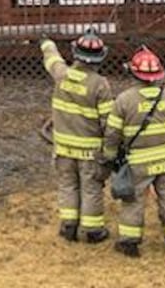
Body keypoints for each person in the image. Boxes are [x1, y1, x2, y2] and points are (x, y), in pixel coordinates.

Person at [103, 46, 165, 258]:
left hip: (139, 164)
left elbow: (112, 133)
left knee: (133, 201)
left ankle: (130, 243)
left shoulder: (124, 100)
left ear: (134, 73)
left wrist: (110, 156)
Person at [40, 28, 114, 243]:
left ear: (75, 53)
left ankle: (69, 226)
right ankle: (92, 231)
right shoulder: (100, 85)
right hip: (90, 151)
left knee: (68, 185)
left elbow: (51, 58)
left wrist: (46, 42)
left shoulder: (61, 74)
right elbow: (108, 121)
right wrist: (112, 148)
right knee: (91, 188)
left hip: (62, 148)